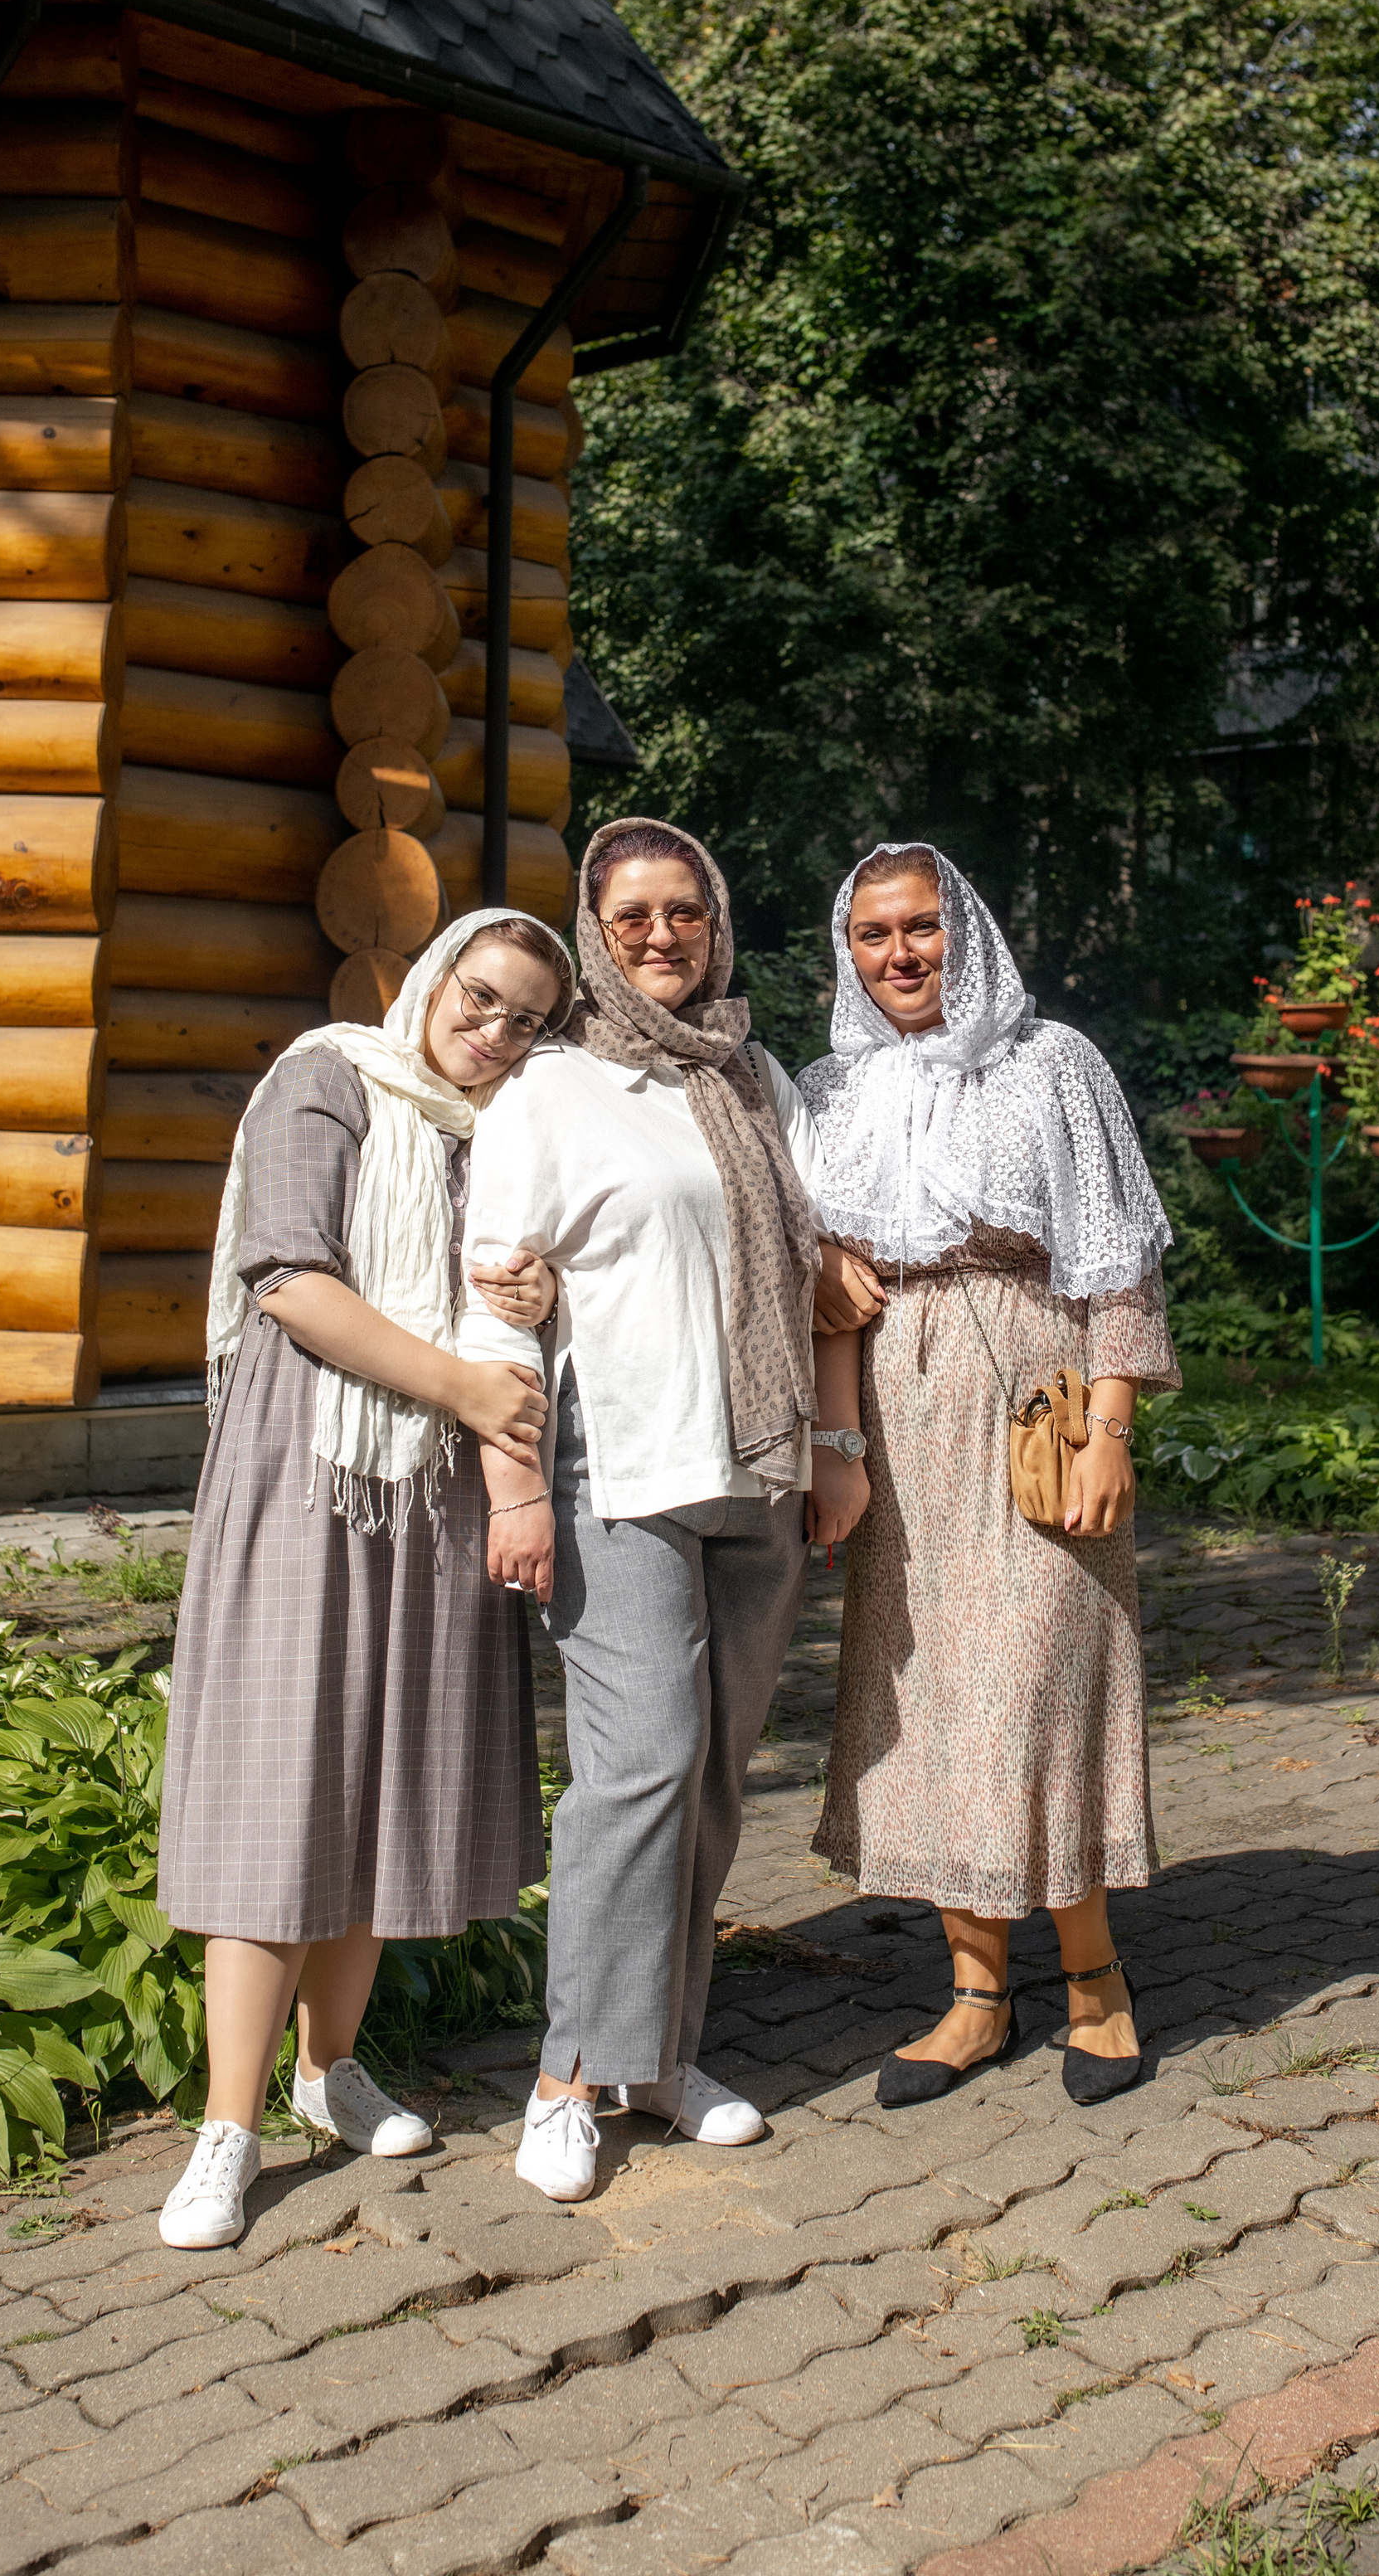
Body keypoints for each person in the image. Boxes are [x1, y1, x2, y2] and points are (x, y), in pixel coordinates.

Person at [454, 818, 870, 2205]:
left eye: (683, 911)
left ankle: (660, 2056)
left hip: (756, 1471)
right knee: (638, 1772)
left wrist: (835, 1444)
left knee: (706, 1781)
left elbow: (821, 1270)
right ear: (593, 927)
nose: (660, 938)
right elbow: (494, 1298)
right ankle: (567, 2075)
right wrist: (514, 1485)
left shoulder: (756, 1083)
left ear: (719, 921)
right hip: (617, 1472)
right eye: (630, 916)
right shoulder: (551, 1090)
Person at [153, 907, 578, 2250]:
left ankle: (328, 2069)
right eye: (484, 994)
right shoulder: (331, 1072)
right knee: (282, 1784)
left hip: (438, 1494)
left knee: (385, 1778)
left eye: (526, 1020)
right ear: (435, 977)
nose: (495, 1029)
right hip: (309, 1471)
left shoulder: (504, 1139)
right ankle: (227, 2131)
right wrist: (462, 1379)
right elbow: (289, 1276)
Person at [800, 844, 1180, 2107]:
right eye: (872, 934)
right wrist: (836, 1430)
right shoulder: (828, 1092)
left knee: (1038, 1682)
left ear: (967, 931)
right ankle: (972, 1998)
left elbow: (1116, 1255)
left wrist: (1113, 1423)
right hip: (894, 1417)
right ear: (845, 950)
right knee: (938, 1696)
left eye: (923, 928)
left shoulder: (1051, 1062)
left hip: (1032, 1393)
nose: (900, 955)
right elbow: (811, 1276)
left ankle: (1094, 1985)